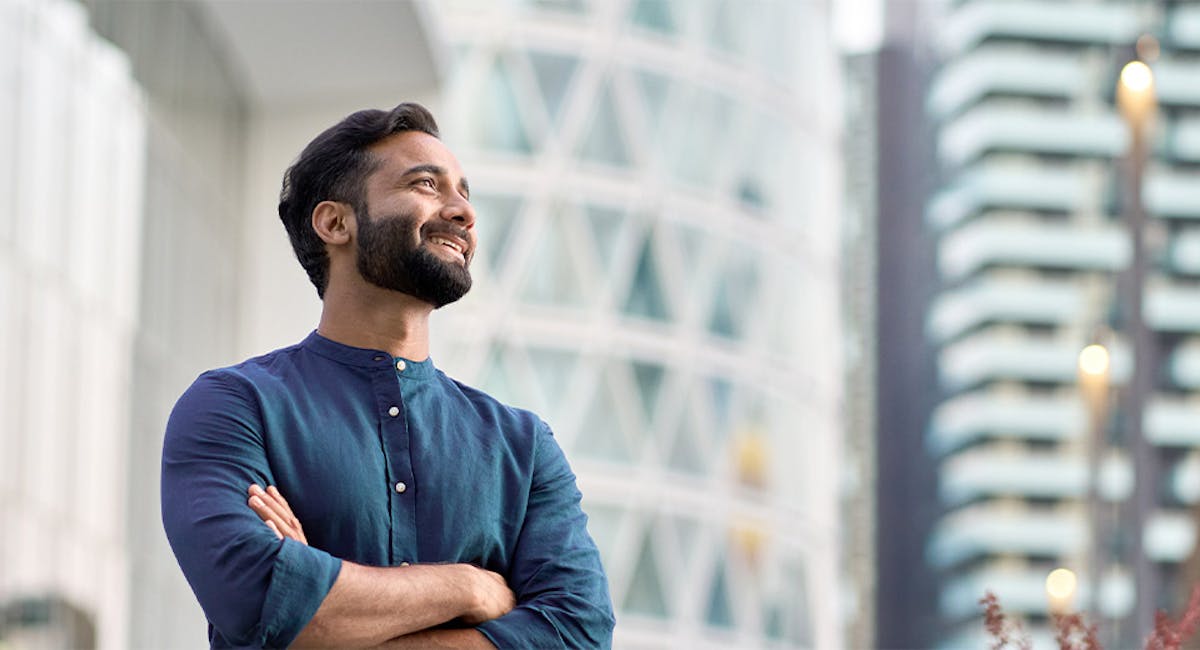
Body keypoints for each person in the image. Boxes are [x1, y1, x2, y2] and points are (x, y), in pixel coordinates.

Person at [161, 102, 615, 649]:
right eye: (427, 184)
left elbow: (579, 634)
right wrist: (468, 589)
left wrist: (321, 605)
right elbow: (255, 598)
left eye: (464, 193)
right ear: (335, 222)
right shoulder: (234, 407)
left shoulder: (521, 445)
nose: (463, 212)